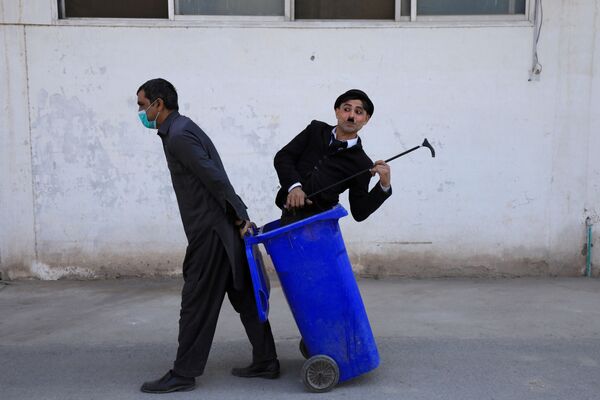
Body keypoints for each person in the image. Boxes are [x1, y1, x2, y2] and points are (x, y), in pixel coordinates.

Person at [136, 78, 279, 394]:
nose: (141, 112)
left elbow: (215, 179)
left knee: (196, 302)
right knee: (243, 295)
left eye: (142, 104)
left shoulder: (178, 136)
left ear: (158, 104)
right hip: (222, 229)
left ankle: (184, 373)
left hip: (212, 233)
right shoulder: (180, 128)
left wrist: (240, 216)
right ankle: (266, 360)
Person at [274, 89, 392, 224]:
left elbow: (359, 212)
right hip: (288, 217)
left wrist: (384, 186)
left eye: (358, 112)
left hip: (322, 225)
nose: (351, 116)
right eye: (346, 109)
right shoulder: (315, 130)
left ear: (366, 119)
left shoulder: (362, 164)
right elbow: (283, 157)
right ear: (337, 111)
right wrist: (294, 187)